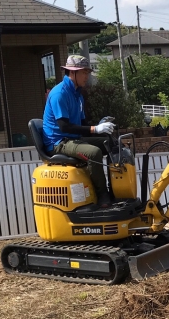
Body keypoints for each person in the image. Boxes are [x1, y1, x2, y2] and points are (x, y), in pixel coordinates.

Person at [42, 55, 115, 207]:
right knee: (93, 153)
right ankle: (103, 196)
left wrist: (98, 126)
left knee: (110, 143)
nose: (87, 76)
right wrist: (95, 129)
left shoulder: (77, 95)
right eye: (84, 72)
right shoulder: (59, 94)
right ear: (72, 73)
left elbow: (82, 125)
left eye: (87, 72)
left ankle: (116, 189)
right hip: (59, 142)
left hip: (72, 138)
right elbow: (64, 127)